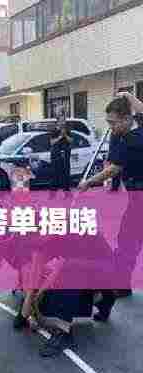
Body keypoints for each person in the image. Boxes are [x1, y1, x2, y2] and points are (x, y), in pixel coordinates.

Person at [79, 94, 143, 299]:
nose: (110, 127)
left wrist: (89, 182)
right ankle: (122, 284)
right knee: (128, 242)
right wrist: (128, 97)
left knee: (127, 242)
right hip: (136, 197)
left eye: (113, 122)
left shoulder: (133, 139)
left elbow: (114, 168)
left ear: (127, 119)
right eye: (108, 122)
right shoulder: (127, 133)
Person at [49, 117, 72, 196]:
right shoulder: (54, 130)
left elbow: (71, 141)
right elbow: (52, 142)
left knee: (66, 173)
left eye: (64, 121)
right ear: (58, 122)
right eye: (61, 121)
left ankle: (67, 192)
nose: (63, 122)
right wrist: (60, 137)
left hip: (65, 154)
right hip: (56, 155)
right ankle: (53, 193)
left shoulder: (67, 130)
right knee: (55, 173)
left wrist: (65, 135)